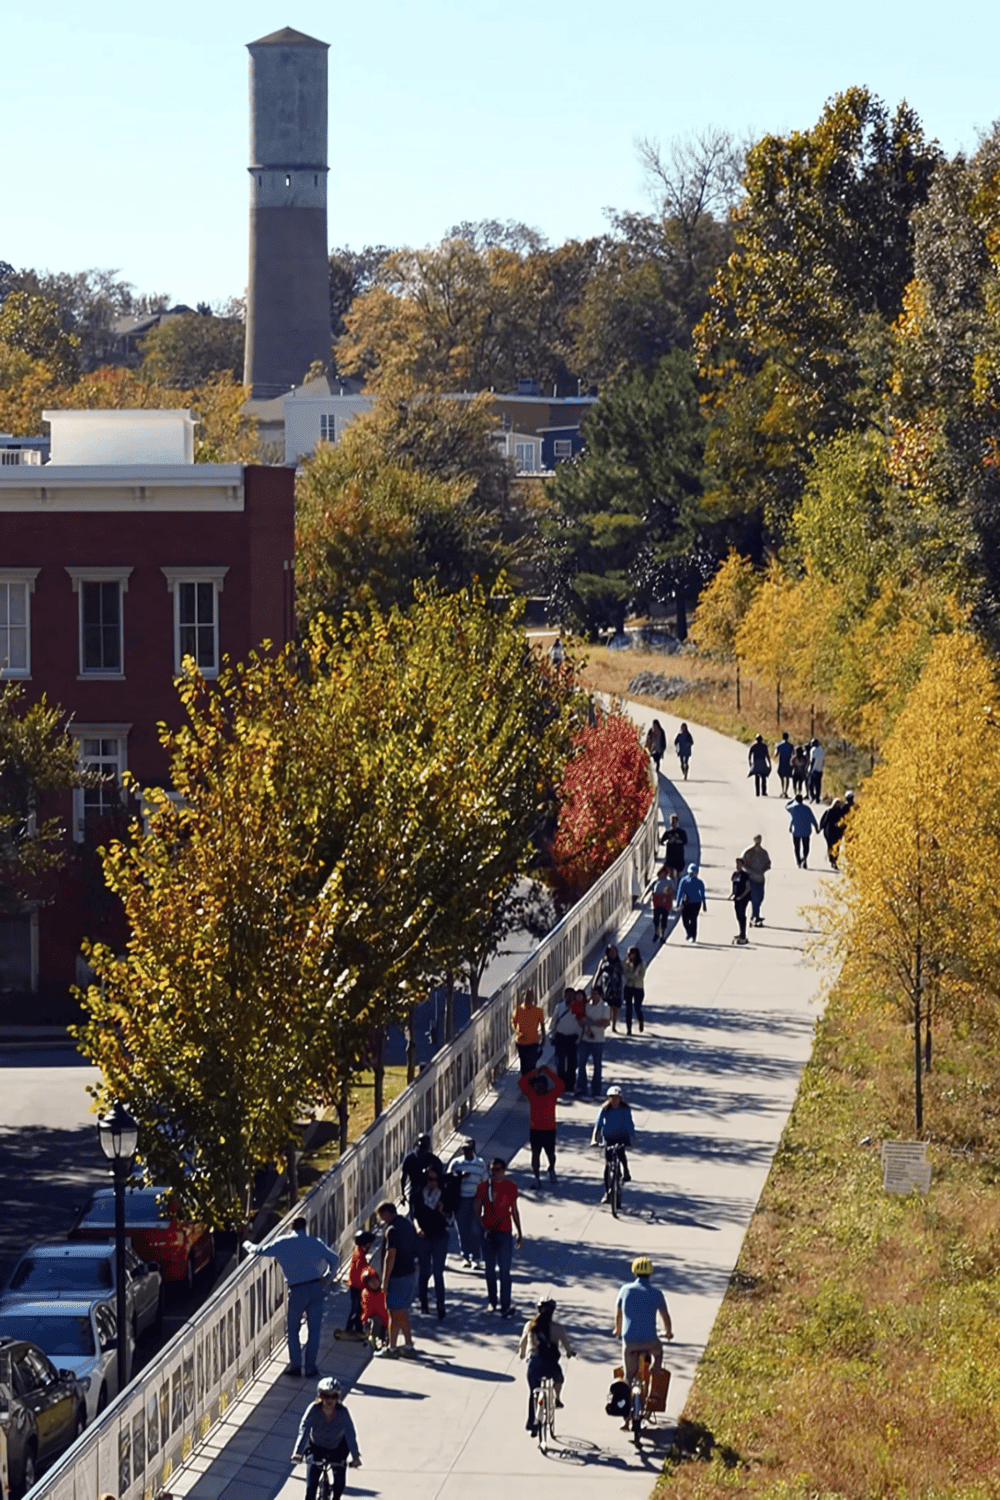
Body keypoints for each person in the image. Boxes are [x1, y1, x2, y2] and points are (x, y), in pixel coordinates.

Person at [242, 1216, 339, 1377]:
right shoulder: (314, 1242)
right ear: (305, 1227)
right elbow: (334, 1259)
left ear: (292, 1227)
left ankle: (295, 1365)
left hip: (297, 1289)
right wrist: (328, 1278)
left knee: (293, 1329)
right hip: (316, 1286)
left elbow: (258, 1250)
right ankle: (310, 1367)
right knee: (314, 1330)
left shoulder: (282, 1243)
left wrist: (246, 1243)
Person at [292, 1378, 361, 1500]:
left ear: (338, 1397)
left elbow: (350, 1434)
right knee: (310, 1488)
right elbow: (304, 1430)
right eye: (325, 1396)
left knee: (339, 1483)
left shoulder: (343, 1413)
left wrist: (355, 1456)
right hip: (315, 1448)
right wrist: (298, 1452)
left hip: (337, 1449)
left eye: (333, 1396)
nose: (329, 1400)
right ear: (319, 1395)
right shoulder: (313, 1410)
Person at [519, 1298, 576, 1435]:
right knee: (559, 1379)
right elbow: (567, 1346)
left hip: (534, 1366)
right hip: (551, 1366)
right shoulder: (558, 1328)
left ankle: (531, 1422)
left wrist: (522, 1355)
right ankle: (556, 1398)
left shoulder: (530, 1326)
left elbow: (522, 1343)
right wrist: (569, 1353)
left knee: (533, 1391)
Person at [474, 1157, 523, 1317]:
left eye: (497, 1170)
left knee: (504, 1271)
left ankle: (505, 1304)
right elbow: (477, 1211)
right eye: (492, 1170)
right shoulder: (483, 1187)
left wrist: (519, 1231)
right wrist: (484, 1227)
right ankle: (492, 1301)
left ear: (504, 1170)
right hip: (489, 1233)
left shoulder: (511, 1187)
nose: (494, 1173)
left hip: (505, 1232)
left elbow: (514, 1210)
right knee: (489, 1270)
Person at [614, 1257, 673, 1382]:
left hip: (630, 1341)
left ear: (634, 1272)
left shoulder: (625, 1290)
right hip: (650, 1341)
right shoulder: (657, 1293)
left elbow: (619, 1314)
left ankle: (628, 1389)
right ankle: (655, 1371)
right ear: (650, 1273)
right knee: (658, 1351)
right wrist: (668, 1332)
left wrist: (618, 1330)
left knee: (628, 1376)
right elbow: (665, 1316)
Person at [375, 1201, 419, 1357]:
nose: (382, 1220)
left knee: (393, 1313)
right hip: (410, 1273)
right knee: (403, 1312)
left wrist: (385, 1280)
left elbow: (390, 1255)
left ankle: (391, 1348)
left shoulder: (392, 1230)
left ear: (388, 1212)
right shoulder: (407, 1224)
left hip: (397, 1276)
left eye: (382, 1216)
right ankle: (408, 1344)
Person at [518, 1064, 565, 1184]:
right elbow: (522, 1083)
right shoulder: (532, 1095)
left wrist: (548, 1072)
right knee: (535, 1155)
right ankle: (537, 1177)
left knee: (551, 1154)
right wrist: (534, 1072)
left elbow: (561, 1084)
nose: (538, 1087)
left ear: (545, 1086)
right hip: (535, 1131)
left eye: (541, 1085)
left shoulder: (551, 1095)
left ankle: (551, 1168)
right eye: (536, 1085)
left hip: (549, 1130)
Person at [413, 1166, 450, 1321]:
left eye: (435, 1179)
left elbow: (450, 1217)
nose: (432, 1183)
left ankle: (440, 1305)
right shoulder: (419, 1195)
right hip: (424, 1237)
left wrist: (442, 1211)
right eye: (429, 1179)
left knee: (438, 1272)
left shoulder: (444, 1195)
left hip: (440, 1236)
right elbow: (415, 1215)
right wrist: (417, 1228)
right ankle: (424, 1303)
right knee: (424, 1271)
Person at [446, 1136, 488, 1267]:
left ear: (473, 1149)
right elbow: (447, 1180)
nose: (466, 1152)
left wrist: (483, 1201)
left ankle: (475, 1257)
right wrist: (460, 1176)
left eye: (468, 1149)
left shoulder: (480, 1163)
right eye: (464, 1149)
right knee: (462, 1229)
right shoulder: (456, 1163)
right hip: (460, 1200)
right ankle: (465, 1256)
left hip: (475, 1199)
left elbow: (485, 1182)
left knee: (475, 1229)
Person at [592, 1084, 635, 1198]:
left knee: (621, 1154)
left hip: (622, 1136)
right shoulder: (605, 1109)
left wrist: (632, 1137)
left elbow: (630, 1124)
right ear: (608, 1099)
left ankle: (625, 1170)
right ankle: (607, 1192)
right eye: (612, 1098)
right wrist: (594, 1139)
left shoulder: (625, 1109)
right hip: (608, 1137)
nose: (615, 1101)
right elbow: (598, 1124)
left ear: (620, 1099)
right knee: (608, 1164)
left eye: (617, 1098)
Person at [576, 986, 610, 1097]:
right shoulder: (587, 1006)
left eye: (595, 994)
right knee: (581, 1064)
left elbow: (604, 1022)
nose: (593, 996)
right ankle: (582, 1088)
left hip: (598, 1040)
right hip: (585, 1039)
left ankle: (596, 1090)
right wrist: (587, 1022)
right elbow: (581, 1019)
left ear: (600, 995)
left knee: (597, 1065)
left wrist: (590, 1023)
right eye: (592, 993)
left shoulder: (605, 1007)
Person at [400, 1134, 443, 1219]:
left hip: (415, 1191)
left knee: (415, 1218)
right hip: (429, 1194)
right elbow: (441, 1177)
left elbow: (403, 1177)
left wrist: (402, 1193)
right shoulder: (433, 1159)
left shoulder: (410, 1158)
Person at [549, 987, 583, 1094]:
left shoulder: (578, 1007)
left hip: (572, 1039)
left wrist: (580, 1038)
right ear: (565, 996)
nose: (569, 997)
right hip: (561, 1038)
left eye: (571, 995)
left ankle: (570, 1086)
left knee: (572, 1063)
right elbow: (554, 1021)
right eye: (567, 995)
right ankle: (561, 1085)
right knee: (560, 1063)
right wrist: (551, 1035)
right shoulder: (559, 1007)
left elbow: (581, 1024)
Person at [344, 1231, 376, 1335]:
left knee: (359, 1309)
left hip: (357, 1286)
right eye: (369, 1243)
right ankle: (349, 1329)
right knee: (356, 1309)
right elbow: (361, 1270)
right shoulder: (359, 1255)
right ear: (364, 1243)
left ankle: (358, 1329)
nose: (370, 1245)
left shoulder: (359, 1251)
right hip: (356, 1286)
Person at [511, 987, 545, 1075]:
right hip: (521, 1042)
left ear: (533, 998)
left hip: (533, 1042)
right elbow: (513, 1022)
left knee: (531, 1065)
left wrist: (543, 1037)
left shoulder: (538, 1011)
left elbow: (542, 1025)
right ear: (523, 998)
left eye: (530, 996)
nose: (528, 998)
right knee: (524, 1064)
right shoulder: (518, 1010)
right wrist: (519, 1031)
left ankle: (531, 1084)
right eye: (526, 996)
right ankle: (525, 1084)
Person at [741, 834, 771, 927]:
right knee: (755, 898)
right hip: (752, 879)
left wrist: (763, 870)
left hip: (761, 878)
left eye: (759, 840)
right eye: (757, 840)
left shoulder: (764, 853)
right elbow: (742, 864)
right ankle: (755, 916)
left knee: (761, 897)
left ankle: (755, 915)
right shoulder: (748, 853)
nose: (758, 842)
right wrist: (749, 872)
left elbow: (768, 864)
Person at [595, 942, 624, 1032]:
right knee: (607, 1007)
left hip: (617, 987)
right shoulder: (603, 961)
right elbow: (598, 973)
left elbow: (623, 973)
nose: (613, 953)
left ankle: (614, 1026)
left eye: (614, 951)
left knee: (615, 1007)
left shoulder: (619, 962)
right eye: (611, 952)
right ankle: (606, 1022)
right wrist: (594, 984)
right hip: (606, 987)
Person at [675, 862, 707, 943]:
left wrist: (704, 905)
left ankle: (693, 936)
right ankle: (689, 932)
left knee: (693, 919)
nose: (692, 874)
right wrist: (678, 903)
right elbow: (680, 892)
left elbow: (702, 894)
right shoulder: (684, 881)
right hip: (686, 903)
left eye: (694, 872)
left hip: (696, 903)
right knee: (685, 919)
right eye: (691, 872)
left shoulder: (700, 882)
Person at [786, 792, 820, 868]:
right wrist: (816, 828)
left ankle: (798, 861)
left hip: (796, 831)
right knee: (806, 847)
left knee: (797, 847)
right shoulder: (807, 808)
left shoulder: (793, 808)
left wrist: (792, 800)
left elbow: (786, 806)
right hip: (806, 830)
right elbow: (812, 819)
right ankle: (804, 858)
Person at [360, 1269, 388, 1345]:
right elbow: (368, 1310)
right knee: (376, 1321)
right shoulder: (367, 1294)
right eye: (371, 1282)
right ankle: (371, 1339)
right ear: (367, 1285)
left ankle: (384, 1340)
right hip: (372, 1318)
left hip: (384, 1319)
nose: (374, 1283)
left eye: (375, 1281)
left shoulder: (382, 1292)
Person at [819, 798, 848, 869]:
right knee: (832, 846)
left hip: (835, 831)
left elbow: (844, 821)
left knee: (834, 846)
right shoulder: (831, 811)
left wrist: (820, 828)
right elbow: (824, 820)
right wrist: (820, 827)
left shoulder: (837, 812)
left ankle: (834, 860)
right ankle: (832, 859)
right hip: (831, 831)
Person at [622, 946, 645, 1035]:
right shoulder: (626, 963)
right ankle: (629, 1029)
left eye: (631, 953)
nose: (630, 955)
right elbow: (626, 974)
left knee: (637, 1007)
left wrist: (632, 975)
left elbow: (641, 977)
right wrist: (633, 974)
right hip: (629, 988)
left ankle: (641, 1020)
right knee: (628, 1008)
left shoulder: (641, 963)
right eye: (629, 954)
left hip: (638, 988)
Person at [650, 865, 676, 942]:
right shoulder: (655, 881)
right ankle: (657, 933)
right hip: (657, 903)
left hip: (665, 903)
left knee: (664, 920)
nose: (664, 874)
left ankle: (662, 935)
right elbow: (651, 891)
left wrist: (669, 892)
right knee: (656, 919)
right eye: (662, 873)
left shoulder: (669, 881)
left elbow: (673, 890)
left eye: (665, 873)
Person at [730, 857, 752, 944]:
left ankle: (743, 935)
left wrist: (742, 896)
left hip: (743, 899)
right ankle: (740, 932)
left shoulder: (744, 875)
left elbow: (748, 887)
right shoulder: (735, 874)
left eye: (739, 864)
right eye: (737, 864)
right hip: (736, 898)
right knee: (738, 916)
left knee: (742, 916)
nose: (737, 865)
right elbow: (734, 885)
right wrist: (732, 894)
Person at [660, 812, 688, 880]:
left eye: (675, 822)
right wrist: (669, 841)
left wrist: (677, 841)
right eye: (672, 822)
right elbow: (662, 841)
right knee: (671, 874)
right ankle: (672, 885)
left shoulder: (681, 833)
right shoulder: (668, 833)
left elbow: (685, 841)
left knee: (679, 874)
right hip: (670, 856)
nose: (673, 824)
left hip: (679, 856)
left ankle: (678, 886)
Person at [774, 731, 794, 797]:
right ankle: (786, 791)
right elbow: (793, 753)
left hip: (782, 762)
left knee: (782, 776)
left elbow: (776, 754)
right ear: (788, 737)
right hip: (788, 762)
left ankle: (783, 790)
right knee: (787, 777)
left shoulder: (779, 745)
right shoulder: (791, 746)